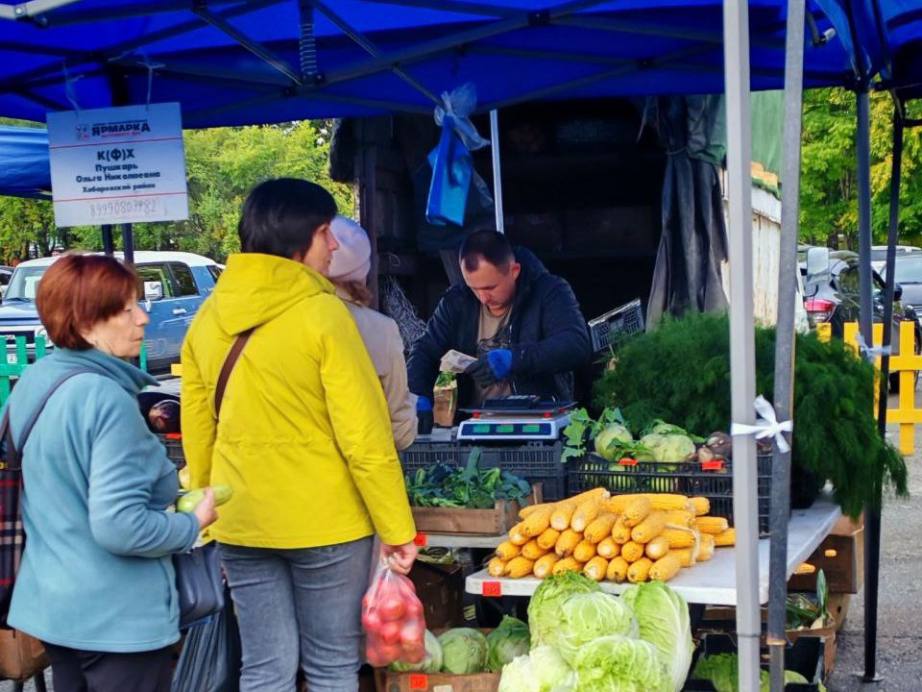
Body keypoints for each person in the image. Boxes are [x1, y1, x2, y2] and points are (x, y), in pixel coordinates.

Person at [181, 178, 417, 692]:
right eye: (327, 233)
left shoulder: (206, 319)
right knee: (332, 667)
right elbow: (365, 438)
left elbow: (198, 431)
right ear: (301, 240)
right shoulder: (323, 316)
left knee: (265, 669)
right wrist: (398, 529)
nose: (334, 245)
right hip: (327, 525)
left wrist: (206, 512)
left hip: (241, 521)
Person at [5, 254, 217, 692]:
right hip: (116, 618)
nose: (143, 318)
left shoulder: (35, 381)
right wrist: (191, 522)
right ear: (85, 324)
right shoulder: (104, 399)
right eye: (126, 309)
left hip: (54, 605)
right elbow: (121, 527)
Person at [408, 229, 592, 411]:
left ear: (514, 271)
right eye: (474, 288)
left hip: (536, 417)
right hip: (471, 421)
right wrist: (418, 396)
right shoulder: (456, 301)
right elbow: (424, 351)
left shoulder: (549, 291)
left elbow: (576, 344)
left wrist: (515, 359)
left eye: (490, 287)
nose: (483, 297)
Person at [326, 216, 417, 450]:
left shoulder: (281, 316)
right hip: (353, 474)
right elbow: (401, 432)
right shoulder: (380, 330)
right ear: (363, 270)